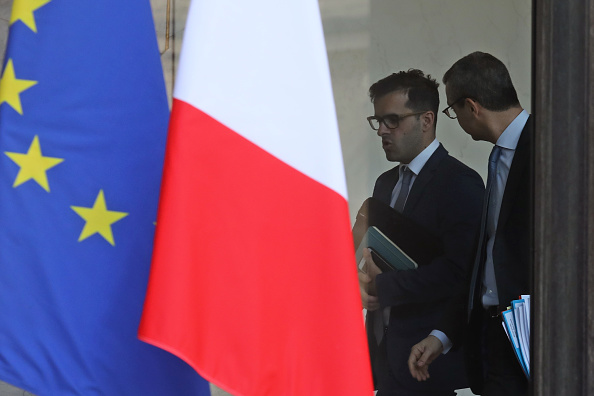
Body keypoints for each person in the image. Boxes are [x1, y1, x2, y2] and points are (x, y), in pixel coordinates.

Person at [407, 52, 532, 396]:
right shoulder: (498, 157)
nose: (455, 118)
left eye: (452, 110)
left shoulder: (549, 148)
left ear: (472, 107)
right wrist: (441, 336)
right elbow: (485, 259)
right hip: (491, 343)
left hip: (539, 344)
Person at [359, 69, 484, 396]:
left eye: (392, 120)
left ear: (427, 120)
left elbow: (460, 273)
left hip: (426, 362)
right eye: (378, 121)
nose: (382, 131)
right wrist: (360, 284)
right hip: (382, 362)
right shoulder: (384, 184)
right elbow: (373, 256)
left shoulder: (460, 183)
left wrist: (382, 286)